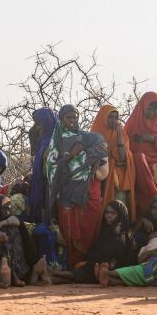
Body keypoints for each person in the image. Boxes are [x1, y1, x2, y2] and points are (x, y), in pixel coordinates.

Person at [47, 106, 108, 266]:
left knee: (89, 228)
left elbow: (102, 151)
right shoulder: (56, 143)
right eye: (69, 118)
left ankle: (86, 265)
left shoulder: (89, 137)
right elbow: (52, 167)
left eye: (75, 117)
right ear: (61, 120)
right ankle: (72, 265)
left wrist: (84, 159)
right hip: (67, 192)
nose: (73, 121)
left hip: (89, 191)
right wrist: (71, 158)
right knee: (69, 230)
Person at [124, 92, 157, 220]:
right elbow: (124, 144)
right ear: (143, 107)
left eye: (155, 110)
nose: (152, 112)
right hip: (138, 170)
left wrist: (153, 139)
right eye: (149, 108)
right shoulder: (133, 123)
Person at [0, 194, 36, 286]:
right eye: (4, 208)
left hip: (19, 263)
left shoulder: (8, 220)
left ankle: (17, 273)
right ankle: (13, 275)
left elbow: (16, 220)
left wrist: (2, 223)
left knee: (11, 229)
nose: (6, 211)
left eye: (8, 208)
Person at [90, 104, 133, 207]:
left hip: (116, 176)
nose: (113, 120)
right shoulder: (94, 133)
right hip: (98, 172)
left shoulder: (121, 134)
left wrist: (119, 135)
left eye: (116, 117)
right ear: (102, 117)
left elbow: (122, 157)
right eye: (110, 117)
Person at [27, 107, 58, 226]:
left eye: (40, 124)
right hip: (41, 182)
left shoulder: (54, 140)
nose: (38, 127)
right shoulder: (42, 139)